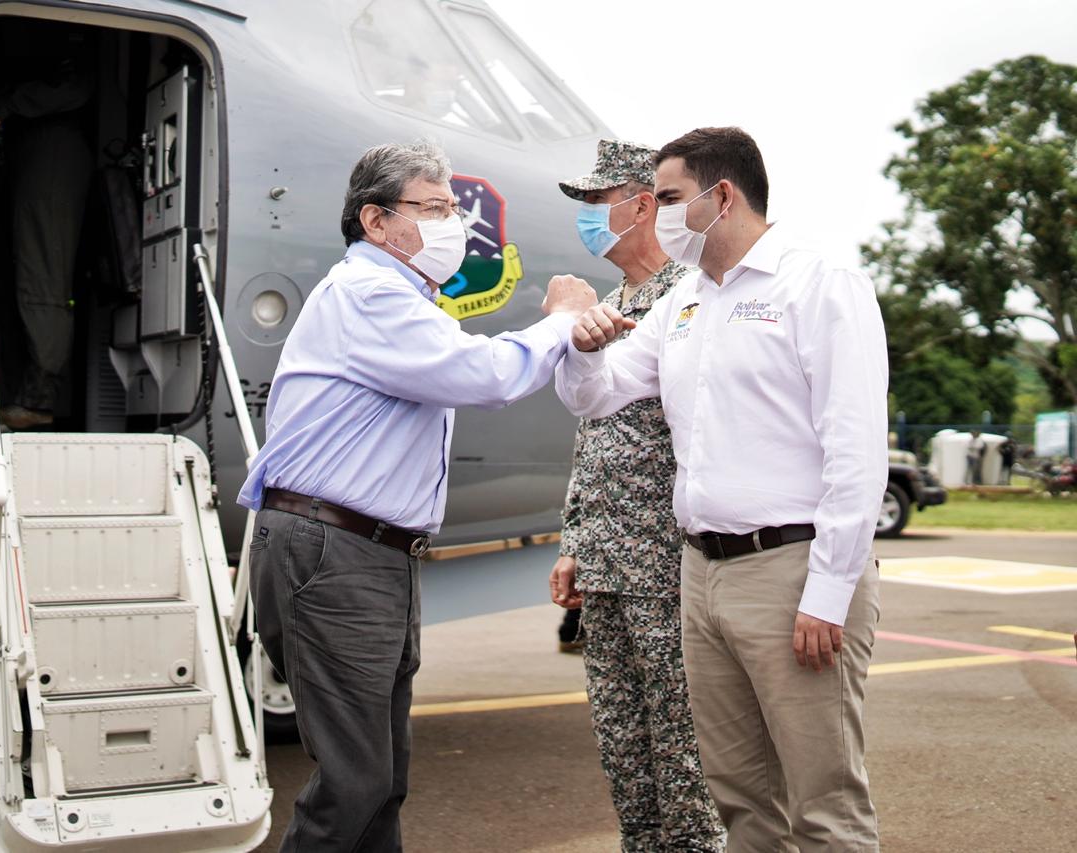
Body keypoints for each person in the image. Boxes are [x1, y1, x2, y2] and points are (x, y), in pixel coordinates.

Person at [238, 141, 596, 851]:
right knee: (355, 781)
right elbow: (483, 375)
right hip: (337, 552)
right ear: (376, 220)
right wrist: (559, 320)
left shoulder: (399, 298)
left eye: (451, 209)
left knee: (381, 778)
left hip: (366, 552)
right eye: (432, 209)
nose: (452, 224)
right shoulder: (369, 293)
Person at [554, 127, 888, 851]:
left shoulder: (818, 284)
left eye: (669, 198)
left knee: (823, 803)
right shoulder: (687, 302)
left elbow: (855, 454)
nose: (658, 213)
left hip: (791, 568)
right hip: (701, 574)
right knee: (738, 796)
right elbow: (602, 396)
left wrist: (828, 590)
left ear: (722, 195)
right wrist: (580, 349)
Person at [549, 138, 725, 852]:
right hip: (608, 562)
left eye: (597, 201)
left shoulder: (686, 297)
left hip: (665, 563)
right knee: (625, 747)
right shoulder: (615, 303)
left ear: (643, 203)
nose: (587, 217)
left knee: (683, 753)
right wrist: (573, 541)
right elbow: (592, 434)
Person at [0, 19, 96, 429]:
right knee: (27, 278)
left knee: (42, 281)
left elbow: (76, 84)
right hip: (35, 157)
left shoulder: (61, 34)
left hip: (51, 158)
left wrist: (7, 105)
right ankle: (23, 393)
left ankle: (37, 399)